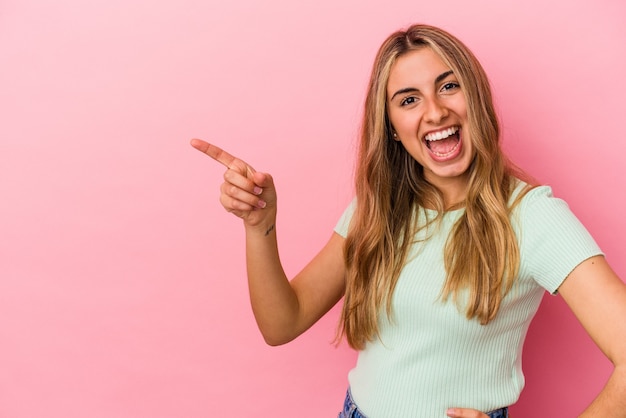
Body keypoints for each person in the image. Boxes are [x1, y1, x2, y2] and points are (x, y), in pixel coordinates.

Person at [190, 24, 626, 418]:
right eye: (409, 100)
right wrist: (259, 225)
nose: (434, 112)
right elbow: (282, 324)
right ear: (394, 127)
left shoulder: (533, 216)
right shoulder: (378, 209)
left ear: (476, 98)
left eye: (449, 86)